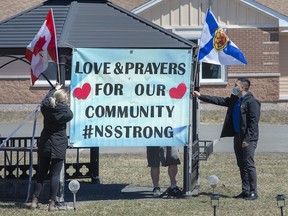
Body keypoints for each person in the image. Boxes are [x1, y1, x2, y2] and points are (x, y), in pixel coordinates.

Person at [193, 78, 261, 200]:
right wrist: (200, 96)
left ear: (243, 88)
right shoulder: (236, 100)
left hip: (248, 139)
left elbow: (253, 123)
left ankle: (253, 192)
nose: (233, 87)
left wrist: (247, 139)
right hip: (237, 136)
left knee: (249, 164)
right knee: (241, 164)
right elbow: (219, 100)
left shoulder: (252, 102)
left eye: (236, 85)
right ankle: (245, 190)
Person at [31, 84, 73, 211]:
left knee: (41, 173)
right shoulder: (66, 113)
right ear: (64, 100)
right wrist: (62, 101)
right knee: (55, 175)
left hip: (45, 142)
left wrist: (53, 89)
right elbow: (70, 112)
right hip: (59, 144)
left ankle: (34, 200)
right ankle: (52, 203)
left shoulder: (46, 108)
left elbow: (45, 100)